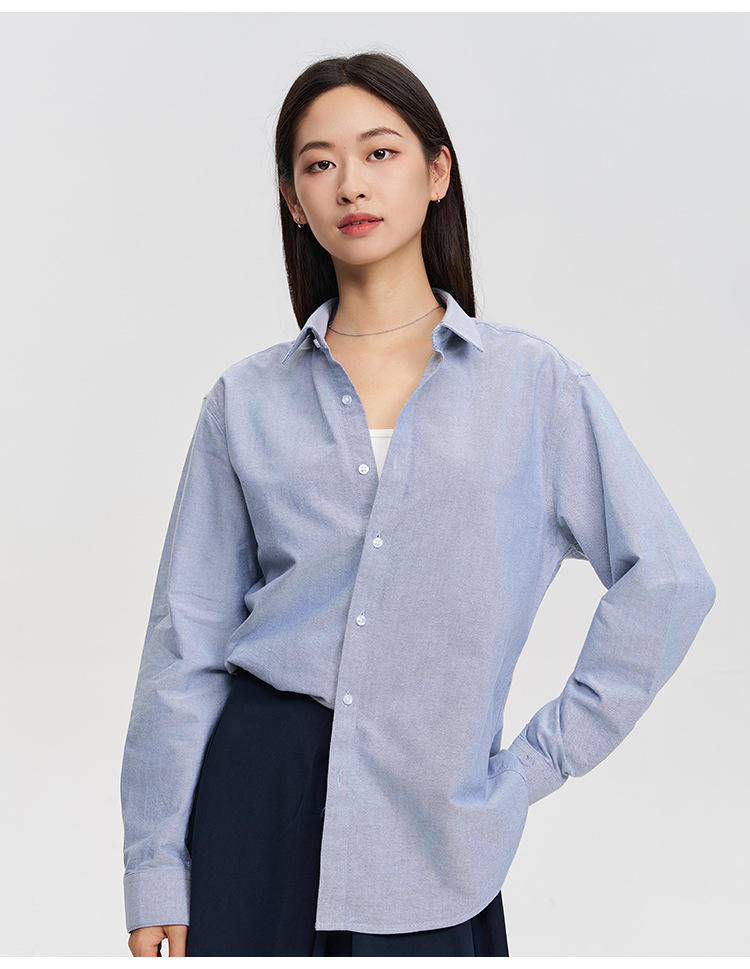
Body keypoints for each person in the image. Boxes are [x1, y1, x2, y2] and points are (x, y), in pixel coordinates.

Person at [120, 52, 716, 958]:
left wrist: (534, 764)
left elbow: (667, 582)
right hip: (254, 799)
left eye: (380, 153)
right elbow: (185, 643)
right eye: (319, 163)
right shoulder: (245, 401)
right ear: (293, 200)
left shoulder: (532, 387)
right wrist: (156, 860)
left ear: (438, 172)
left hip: (432, 827)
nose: (351, 184)